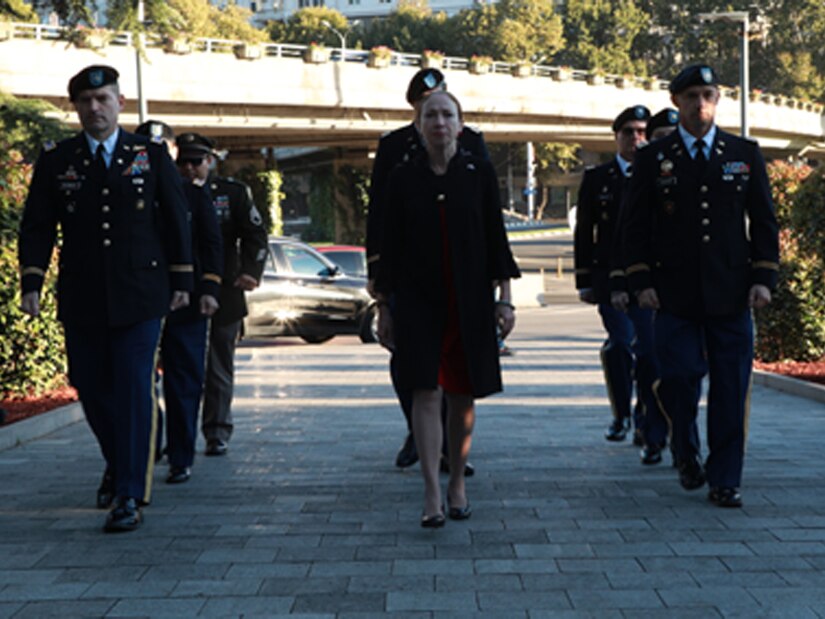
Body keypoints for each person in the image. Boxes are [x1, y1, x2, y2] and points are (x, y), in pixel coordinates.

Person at [18, 65, 193, 532]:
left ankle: (129, 494)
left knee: (135, 387)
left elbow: (176, 221)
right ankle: (120, 461)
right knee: (91, 388)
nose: (95, 108)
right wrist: (31, 283)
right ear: (75, 107)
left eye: (103, 99)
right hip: (83, 294)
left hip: (141, 295)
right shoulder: (58, 159)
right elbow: (37, 225)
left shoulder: (149, 154)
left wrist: (184, 280)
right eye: (86, 101)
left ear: (119, 101)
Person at [623, 64, 779, 507]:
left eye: (707, 94)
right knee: (679, 379)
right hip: (675, 295)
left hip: (732, 292)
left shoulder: (743, 153)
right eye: (690, 95)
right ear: (676, 102)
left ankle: (725, 478)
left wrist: (764, 278)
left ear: (717, 99)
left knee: (730, 386)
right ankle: (685, 448)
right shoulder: (654, 157)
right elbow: (634, 226)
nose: (699, 103)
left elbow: (764, 223)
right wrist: (641, 281)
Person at [373, 91, 520, 527]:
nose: (438, 121)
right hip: (418, 301)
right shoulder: (402, 178)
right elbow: (388, 245)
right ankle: (432, 492)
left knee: (462, 393)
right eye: (430, 114)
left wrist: (505, 299)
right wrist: (383, 305)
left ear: (460, 125)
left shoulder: (479, 173)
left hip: (470, 299)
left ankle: (458, 480)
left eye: (447, 114)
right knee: (424, 389)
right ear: (418, 126)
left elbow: (497, 239)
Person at [366, 67, 488, 472]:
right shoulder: (394, 147)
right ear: (414, 110)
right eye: (426, 107)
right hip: (409, 272)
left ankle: (451, 450)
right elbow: (380, 216)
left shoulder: (471, 144)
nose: (437, 118)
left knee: (458, 367)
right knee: (409, 364)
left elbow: (485, 217)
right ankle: (418, 435)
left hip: (459, 273)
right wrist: (378, 276)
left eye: (442, 105)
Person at [134, 121, 223, 484]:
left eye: (165, 150)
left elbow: (211, 244)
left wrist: (209, 289)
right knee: (135, 379)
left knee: (184, 379)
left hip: (186, 302)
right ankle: (142, 446)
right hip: (139, 299)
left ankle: (181, 455)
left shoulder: (193, 193)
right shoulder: (123, 188)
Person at [176, 132, 268, 457]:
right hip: (182, 291)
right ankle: (175, 438)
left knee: (218, 365)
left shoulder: (231, 193)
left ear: (210, 161)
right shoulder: (170, 191)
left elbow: (256, 234)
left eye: (196, 161)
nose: (189, 168)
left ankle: (216, 431)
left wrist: (250, 272)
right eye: (183, 161)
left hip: (225, 291)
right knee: (180, 368)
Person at [574, 105, 653, 445]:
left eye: (641, 132)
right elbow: (584, 232)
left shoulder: (657, 174)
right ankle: (621, 413)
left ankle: (645, 418)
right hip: (609, 281)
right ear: (616, 137)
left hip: (649, 282)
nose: (636, 138)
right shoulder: (597, 179)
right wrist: (585, 281)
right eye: (628, 132)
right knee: (621, 344)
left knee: (648, 350)